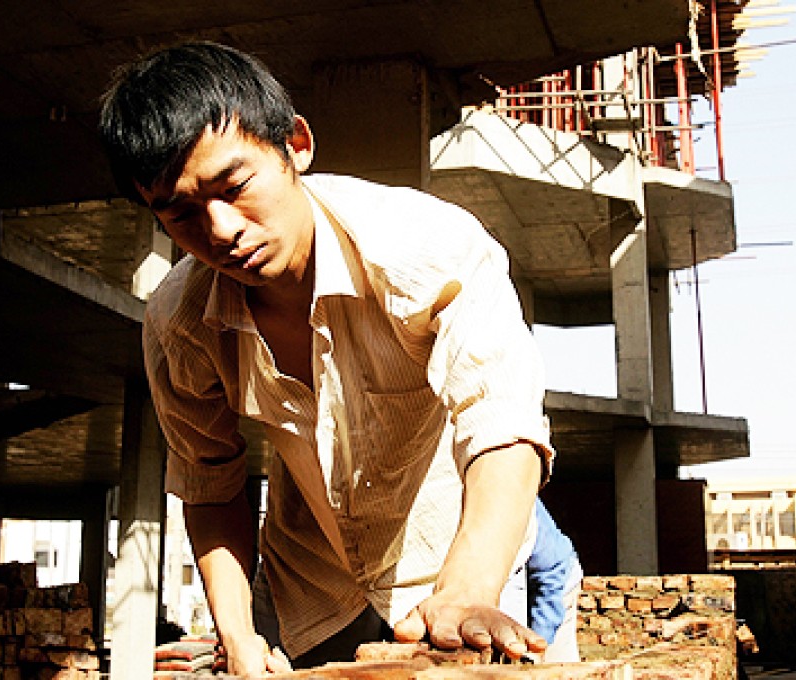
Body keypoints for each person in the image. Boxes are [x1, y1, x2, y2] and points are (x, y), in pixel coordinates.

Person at [99, 41, 555, 675]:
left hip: (454, 572)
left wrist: (468, 589)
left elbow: (502, 424)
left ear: (296, 145)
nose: (221, 230)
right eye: (181, 214)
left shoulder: (431, 248)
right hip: (304, 592)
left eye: (234, 186)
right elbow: (209, 485)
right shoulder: (179, 321)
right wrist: (236, 636)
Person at [526, 500, 583, 662]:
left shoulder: (517, 506)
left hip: (556, 581)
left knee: (555, 666)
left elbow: (552, 571)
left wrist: (538, 645)